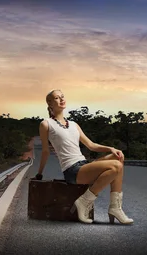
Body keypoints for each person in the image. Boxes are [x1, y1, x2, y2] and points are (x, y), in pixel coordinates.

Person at [35, 89, 134, 224]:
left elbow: (91, 145)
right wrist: (39, 174)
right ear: (50, 103)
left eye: (62, 96)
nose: (62, 99)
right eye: (57, 98)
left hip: (84, 164)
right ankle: (84, 201)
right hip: (72, 170)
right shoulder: (46, 124)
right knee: (116, 166)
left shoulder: (74, 124)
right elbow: (45, 151)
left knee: (118, 158)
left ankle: (115, 208)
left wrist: (111, 148)